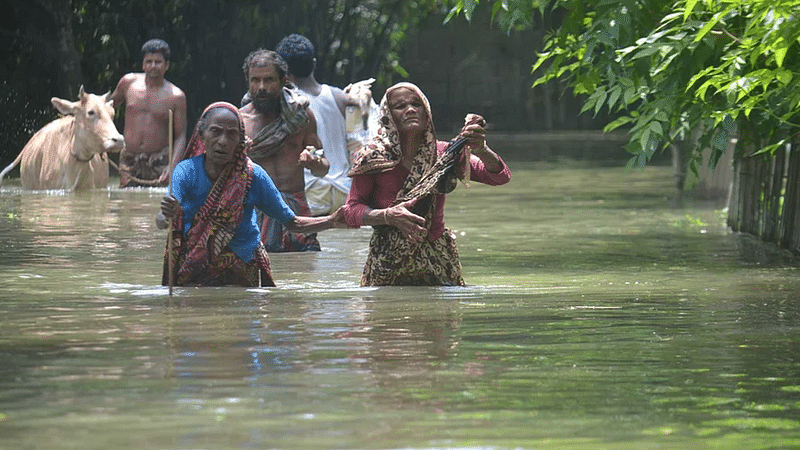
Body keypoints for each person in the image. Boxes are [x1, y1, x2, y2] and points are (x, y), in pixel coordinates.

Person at [156, 102, 345, 287]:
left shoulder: (252, 176)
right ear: (201, 135)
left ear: (241, 140)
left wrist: (332, 220)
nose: (223, 141)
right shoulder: (186, 172)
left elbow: (291, 222)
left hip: (240, 269)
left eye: (231, 134)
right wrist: (167, 215)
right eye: (215, 132)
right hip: (193, 267)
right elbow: (162, 218)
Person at [342, 82, 511, 286]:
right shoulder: (373, 157)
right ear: (388, 116)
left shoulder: (444, 155)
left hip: (438, 258)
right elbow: (351, 212)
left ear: (426, 112)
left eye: (416, 104)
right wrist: (388, 215)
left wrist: (481, 149)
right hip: (388, 260)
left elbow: (499, 177)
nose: (410, 110)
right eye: (400, 106)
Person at [239, 49, 330, 252]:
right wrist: (239, 155)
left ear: (283, 80)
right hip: (256, 214)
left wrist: (313, 161)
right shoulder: (239, 123)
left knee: (306, 274)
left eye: (269, 80)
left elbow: (323, 167)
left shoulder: (300, 117)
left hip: (297, 213)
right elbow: (219, 176)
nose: (262, 87)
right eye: (255, 80)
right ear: (248, 82)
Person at [275, 34, 372, 216]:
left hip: (312, 194)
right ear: (313, 63)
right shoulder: (341, 97)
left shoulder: (286, 103)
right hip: (344, 193)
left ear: (284, 73)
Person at [110, 39, 187, 187]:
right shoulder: (128, 84)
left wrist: (172, 165)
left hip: (160, 161)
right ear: (143, 65)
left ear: (167, 65)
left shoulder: (176, 96)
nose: (153, 66)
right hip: (129, 160)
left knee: (157, 205)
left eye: (158, 62)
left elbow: (181, 136)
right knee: (127, 204)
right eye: (149, 61)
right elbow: (106, 109)